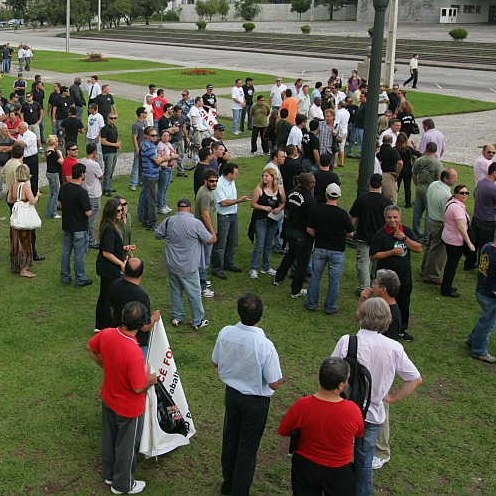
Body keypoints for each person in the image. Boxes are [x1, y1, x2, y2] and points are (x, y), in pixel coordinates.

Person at [331, 297, 422, 496]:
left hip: (344, 411)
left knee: (337, 458)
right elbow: (415, 379)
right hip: (372, 415)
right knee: (364, 463)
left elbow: (330, 374)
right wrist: (391, 398)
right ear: (386, 320)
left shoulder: (348, 341)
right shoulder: (395, 348)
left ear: (362, 315)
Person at [212, 293, 282, 496]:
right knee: (247, 449)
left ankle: (228, 485)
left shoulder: (226, 332)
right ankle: (239, 491)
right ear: (260, 315)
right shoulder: (264, 345)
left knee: (230, 439)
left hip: (232, 395)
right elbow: (274, 383)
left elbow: (215, 361)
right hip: (255, 401)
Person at [86, 301, 159, 496]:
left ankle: (110, 474)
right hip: (129, 407)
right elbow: (137, 388)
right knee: (127, 446)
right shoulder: (134, 352)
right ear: (142, 324)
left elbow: (90, 347)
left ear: (122, 318)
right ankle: (122, 484)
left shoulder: (107, 333)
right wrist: (151, 381)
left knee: (109, 438)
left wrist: (105, 365)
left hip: (109, 398)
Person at [277, 357, 364, 496]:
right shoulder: (353, 411)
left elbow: (283, 430)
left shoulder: (302, 405)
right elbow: (359, 433)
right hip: (339, 471)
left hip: (306, 467)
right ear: (341, 386)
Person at [156, 199, 211, 329]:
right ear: (190, 209)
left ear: (177, 208)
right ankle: (197, 320)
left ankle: (177, 317)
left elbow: (158, 235)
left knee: (175, 290)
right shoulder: (195, 223)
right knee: (194, 293)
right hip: (189, 266)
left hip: (172, 264)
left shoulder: (168, 221)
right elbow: (208, 239)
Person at [368, 207, 421, 342]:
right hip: (385, 280)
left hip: (404, 277)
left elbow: (418, 248)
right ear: (385, 218)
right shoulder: (380, 235)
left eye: (395, 217)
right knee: (383, 304)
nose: (392, 220)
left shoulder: (406, 232)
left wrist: (404, 239)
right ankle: (380, 327)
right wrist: (391, 252)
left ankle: (401, 330)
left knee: (403, 304)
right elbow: (373, 255)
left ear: (400, 218)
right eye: (389, 217)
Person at [467, 225, 496, 363]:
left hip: (481, 288)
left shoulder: (487, 246)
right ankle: (479, 350)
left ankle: (473, 339)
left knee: (485, 317)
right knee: (488, 323)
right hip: (491, 295)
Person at [305, 183, 355, 314]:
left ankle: (311, 303)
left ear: (325, 195)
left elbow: (309, 229)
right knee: (334, 279)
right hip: (337, 250)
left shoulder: (317, 211)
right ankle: (330, 306)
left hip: (320, 247)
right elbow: (350, 234)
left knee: (316, 276)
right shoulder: (342, 214)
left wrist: (318, 236)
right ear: (339, 196)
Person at [349, 174, 392, 293]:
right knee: (377, 261)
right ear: (382, 184)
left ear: (369, 183)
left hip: (363, 234)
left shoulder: (362, 199)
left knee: (363, 261)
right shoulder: (386, 201)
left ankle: (364, 287)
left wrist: (349, 231)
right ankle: (375, 280)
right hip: (380, 236)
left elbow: (354, 217)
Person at [276, 172, 316, 299]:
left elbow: (287, 209)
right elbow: (312, 219)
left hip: (290, 229)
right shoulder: (310, 200)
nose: (315, 183)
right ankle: (296, 290)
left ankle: (278, 277)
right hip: (303, 233)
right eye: (314, 182)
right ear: (309, 184)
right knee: (302, 263)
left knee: (291, 254)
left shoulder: (293, 192)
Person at [95, 198, 133, 331]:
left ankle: (103, 324)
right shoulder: (110, 229)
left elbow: (111, 247)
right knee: (107, 297)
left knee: (107, 296)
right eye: (118, 210)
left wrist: (124, 248)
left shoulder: (112, 226)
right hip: (109, 268)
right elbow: (107, 252)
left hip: (109, 267)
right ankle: (103, 325)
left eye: (122, 210)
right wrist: (121, 264)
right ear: (111, 211)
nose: (121, 212)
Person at [59, 163, 93, 288]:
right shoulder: (82, 192)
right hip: (80, 227)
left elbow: (59, 204)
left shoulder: (64, 187)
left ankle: (65, 277)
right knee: (79, 255)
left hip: (67, 225)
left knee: (66, 252)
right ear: (82, 174)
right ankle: (80, 279)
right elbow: (88, 212)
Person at [421, 168, 457, 285]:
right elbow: (447, 213)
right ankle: (431, 275)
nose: (456, 180)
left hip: (431, 220)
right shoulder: (445, 194)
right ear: (445, 179)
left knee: (430, 246)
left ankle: (425, 268)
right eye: (454, 178)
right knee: (438, 251)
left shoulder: (434, 185)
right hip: (439, 223)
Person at [212, 163, 249, 276]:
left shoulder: (231, 182)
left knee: (233, 242)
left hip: (233, 215)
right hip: (223, 217)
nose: (238, 175)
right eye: (236, 173)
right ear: (229, 174)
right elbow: (223, 202)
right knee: (220, 244)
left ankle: (229, 263)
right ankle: (216, 269)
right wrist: (239, 200)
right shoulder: (219, 185)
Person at [247, 169, 285, 279]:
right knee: (259, 244)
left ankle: (266, 266)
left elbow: (283, 202)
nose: (264, 178)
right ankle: (253, 268)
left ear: (273, 178)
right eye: (263, 175)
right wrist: (263, 207)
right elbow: (253, 204)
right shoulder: (259, 190)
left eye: (267, 176)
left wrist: (279, 208)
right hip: (261, 220)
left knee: (269, 244)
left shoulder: (280, 190)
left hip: (273, 220)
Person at [441, 184, 475, 298]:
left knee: (451, 263)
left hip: (449, 236)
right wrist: (469, 243)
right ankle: (446, 289)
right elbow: (461, 228)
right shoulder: (456, 208)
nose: (465, 195)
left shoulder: (451, 204)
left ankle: (446, 286)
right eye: (462, 193)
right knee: (452, 265)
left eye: (466, 193)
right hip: (454, 240)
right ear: (456, 194)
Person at [471, 161, 496, 264]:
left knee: (474, 243)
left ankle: (469, 263)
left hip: (476, 218)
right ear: (495, 173)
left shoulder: (480, 183)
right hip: (488, 221)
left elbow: (475, 194)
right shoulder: (494, 189)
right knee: (485, 246)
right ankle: (482, 265)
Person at [7, 163, 38, 278]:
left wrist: (17, 200)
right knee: (24, 241)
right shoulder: (25, 186)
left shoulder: (13, 185)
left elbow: (9, 199)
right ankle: (24, 268)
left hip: (16, 215)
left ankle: (16, 264)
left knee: (15, 241)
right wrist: (38, 196)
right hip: (23, 217)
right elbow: (33, 201)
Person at [411, 141, 443, 237]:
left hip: (420, 188)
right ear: (436, 150)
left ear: (426, 149)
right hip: (431, 191)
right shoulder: (437, 164)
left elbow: (414, 175)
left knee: (417, 212)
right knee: (429, 214)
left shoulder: (418, 161)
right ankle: (426, 236)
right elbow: (439, 179)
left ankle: (415, 232)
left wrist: (417, 184)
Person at [44, 135, 64, 219]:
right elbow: (62, 163)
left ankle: (49, 211)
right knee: (56, 193)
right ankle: (53, 212)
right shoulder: (54, 153)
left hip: (49, 172)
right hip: (54, 173)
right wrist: (60, 154)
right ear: (54, 143)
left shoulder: (48, 151)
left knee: (51, 193)